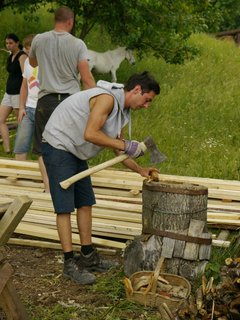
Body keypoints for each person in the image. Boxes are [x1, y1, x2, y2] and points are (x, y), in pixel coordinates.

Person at [42, 71, 160, 285]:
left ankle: (88, 256)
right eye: (147, 100)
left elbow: (119, 151)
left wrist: (140, 169)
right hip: (59, 145)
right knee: (64, 207)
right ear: (136, 90)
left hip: (76, 150)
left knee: (85, 203)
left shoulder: (123, 112)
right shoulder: (106, 99)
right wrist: (126, 145)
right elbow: (91, 134)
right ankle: (69, 263)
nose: (146, 106)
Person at [28, 6, 95, 192]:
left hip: (46, 100)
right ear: (70, 22)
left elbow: (32, 62)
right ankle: (68, 182)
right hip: (70, 102)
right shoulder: (78, 44)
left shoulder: (39, 39)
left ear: (54, 20)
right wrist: (97, 101)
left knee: (42, 146)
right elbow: (87, 78)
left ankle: (49, 187)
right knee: (71, 143)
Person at [0, 34, 27, 153]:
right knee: (1, 120)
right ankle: (7, 149)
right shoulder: (11, 55)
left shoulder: (22, 56)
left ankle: (20, 149)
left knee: (20, 122)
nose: (8, 45)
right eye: (7, 43)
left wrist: (24, 94)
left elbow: (25, 76)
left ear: (17, 43)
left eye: (11, 43)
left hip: (18, 93)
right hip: (8, 93)